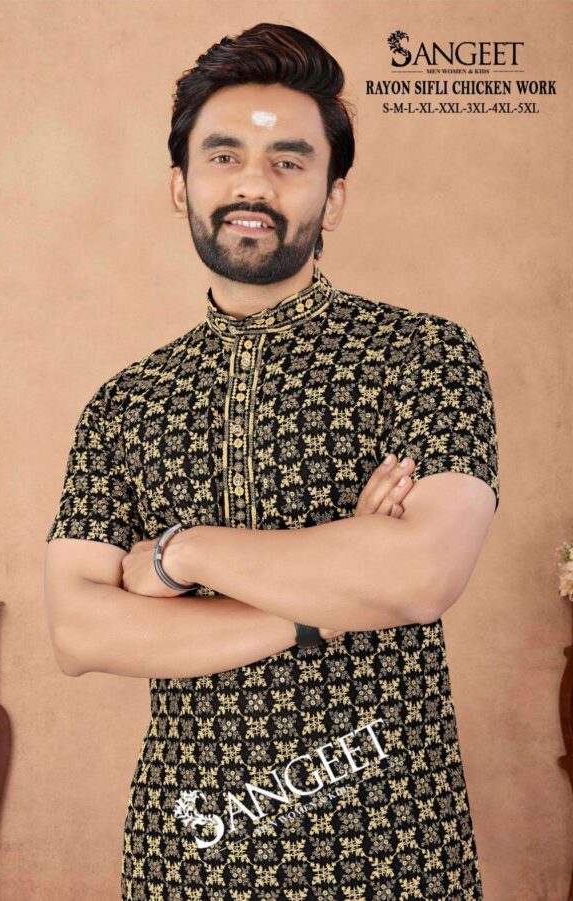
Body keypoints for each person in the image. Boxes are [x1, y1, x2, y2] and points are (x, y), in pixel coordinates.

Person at [43, 22, 500, 901]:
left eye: (290, 161)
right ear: (180, 185)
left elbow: (420, 574)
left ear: (333, 198)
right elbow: (80, 631)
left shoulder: (423, 355)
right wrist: (322, 606)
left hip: (392, 851)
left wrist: (181, 554)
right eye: (225, 156)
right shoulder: (125, 403)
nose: (253, 183)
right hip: (186, 859)